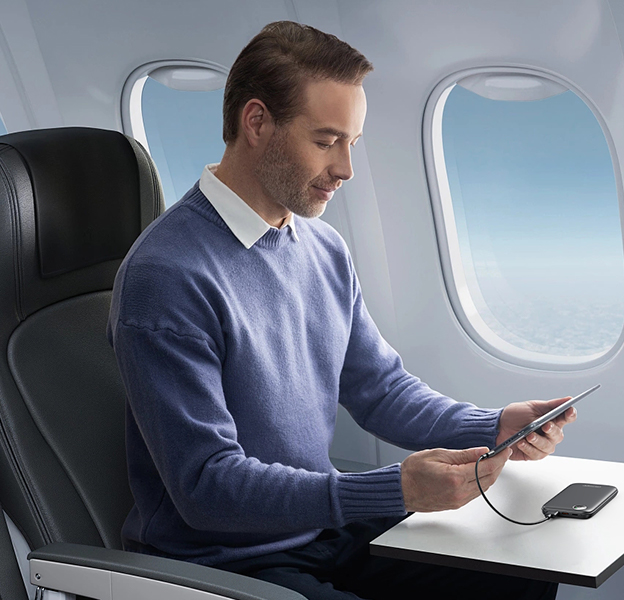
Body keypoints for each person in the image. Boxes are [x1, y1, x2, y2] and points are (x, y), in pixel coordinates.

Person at [110, 22, 568, 600]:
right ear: (257, 123)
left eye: (353, 142)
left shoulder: (321, 248)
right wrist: (394, 490)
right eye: (327, 141)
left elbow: (380, 390)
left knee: (517, 577)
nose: (346, 168)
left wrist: (494, 426)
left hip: (323, 530)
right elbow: (206, 486)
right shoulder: (167, 277)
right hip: (227, 562)